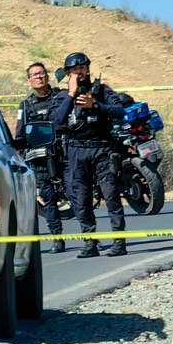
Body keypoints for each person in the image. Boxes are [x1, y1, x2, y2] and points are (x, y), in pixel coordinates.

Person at [50, 52, 127, 258]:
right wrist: (71, 94)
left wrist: (96, 105)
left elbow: (120, 111)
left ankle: (119, 241)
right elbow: (56, 120)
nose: (79, 72)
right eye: (74, 70)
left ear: (88, 69)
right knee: (80, 199)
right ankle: (89, 242)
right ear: (68, 74)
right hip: (76, 151)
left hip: (102, 149)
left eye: (82, 68)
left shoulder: (101, 90)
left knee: (110, 194)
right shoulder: (62, 96)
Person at [15, 62, 66, 253]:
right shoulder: (25, 106)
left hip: (64, 154)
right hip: (41, 159)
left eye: (41, 73)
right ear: (29, 80)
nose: (39, 77)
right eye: (34, 75)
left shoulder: (60, 96)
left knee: (78, 196)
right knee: (49, 198)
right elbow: (20, 136)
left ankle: (90, 238)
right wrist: (24, 158)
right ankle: (57, 238)